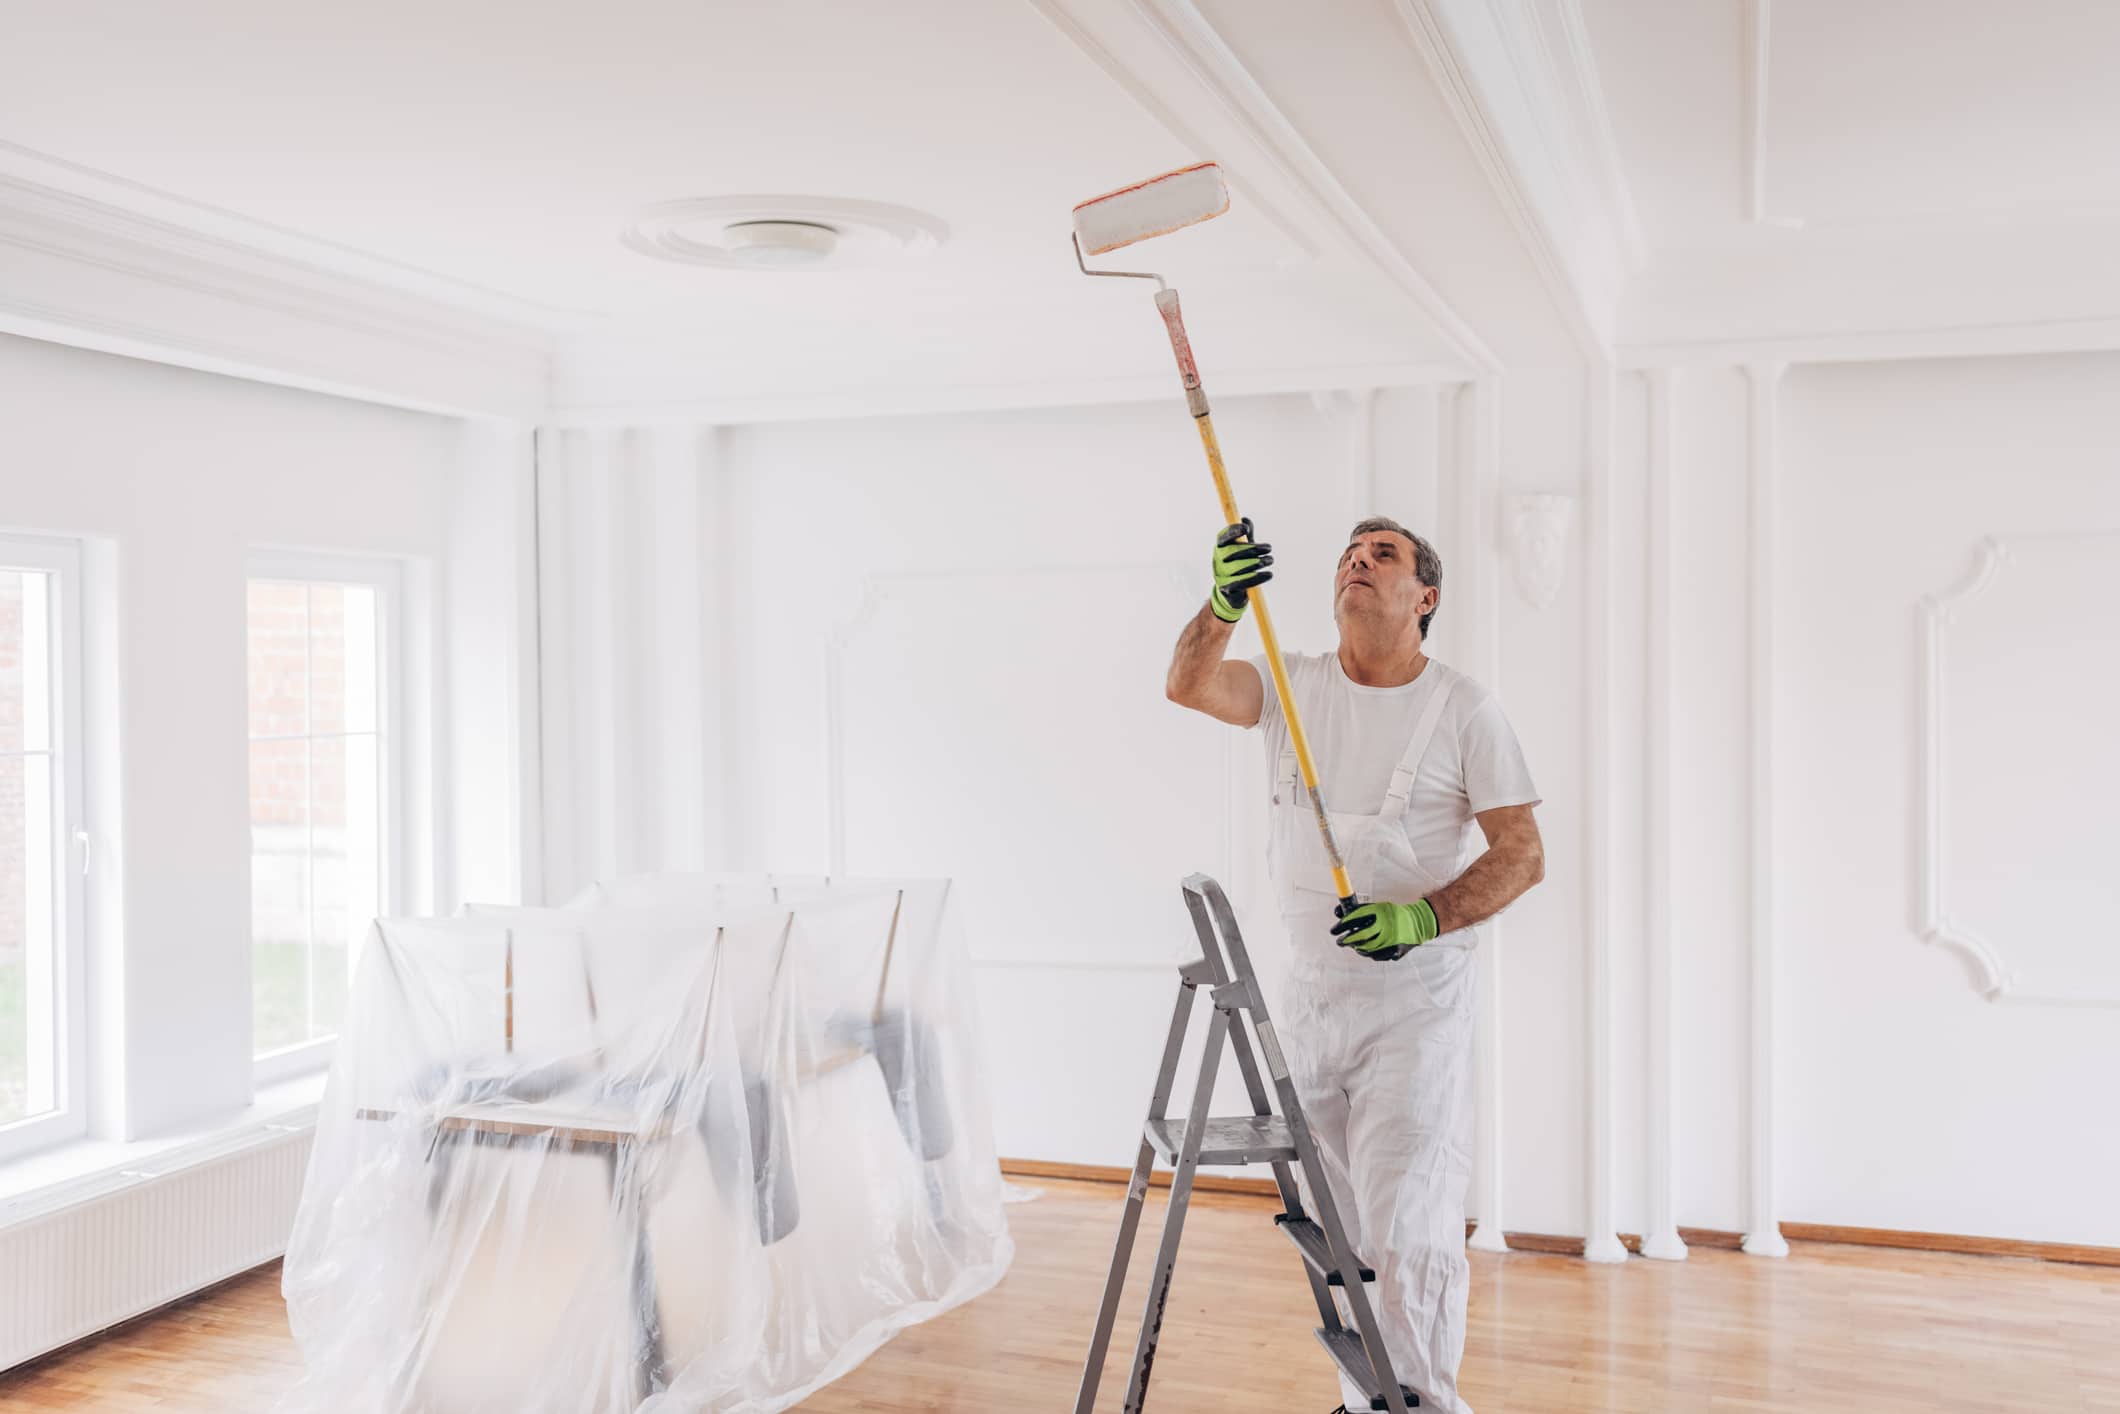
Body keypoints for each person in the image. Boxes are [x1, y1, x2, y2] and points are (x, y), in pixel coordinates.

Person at [1164, 515, 1545, 1414]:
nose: (1356, 563)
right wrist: (1220, 603)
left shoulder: (1464, 709)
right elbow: (1186, 684)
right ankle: (1365, 1398)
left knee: (1410, 1226)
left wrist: (1424, 914)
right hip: (1311, 1001)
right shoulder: (1291, 688)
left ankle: (1423, 1403)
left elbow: (1523, 852)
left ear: (1426, 598)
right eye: (1348, 553)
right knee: (1345, 1232)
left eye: (1383, 556)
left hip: (1416, 1007)